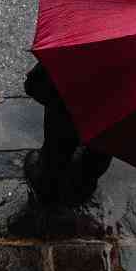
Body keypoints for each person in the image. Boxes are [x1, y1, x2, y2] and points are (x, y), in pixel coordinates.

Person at [23, 61, 112, 205]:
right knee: (102, 144)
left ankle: (47, 183)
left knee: (58, 145)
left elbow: (34, 86)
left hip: (68, 106)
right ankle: (84, 182)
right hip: (114, 107)